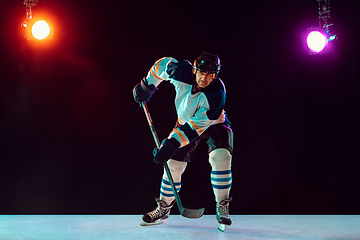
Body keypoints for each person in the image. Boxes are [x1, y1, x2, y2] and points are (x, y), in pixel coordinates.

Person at [132, 51, 234, 227]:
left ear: (215, 74)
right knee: (173, 165)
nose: (204, 77)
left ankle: (222, 205)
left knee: (221, 157)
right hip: (185, 123)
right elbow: (162, 65)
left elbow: (195, 128)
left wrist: (170, 143)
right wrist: (147, 85)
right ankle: (163, 208)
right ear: (194, 69)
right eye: (202, 72)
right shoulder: (180, 71)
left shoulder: (216, 94)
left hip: (214, 123)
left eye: (210, 74)